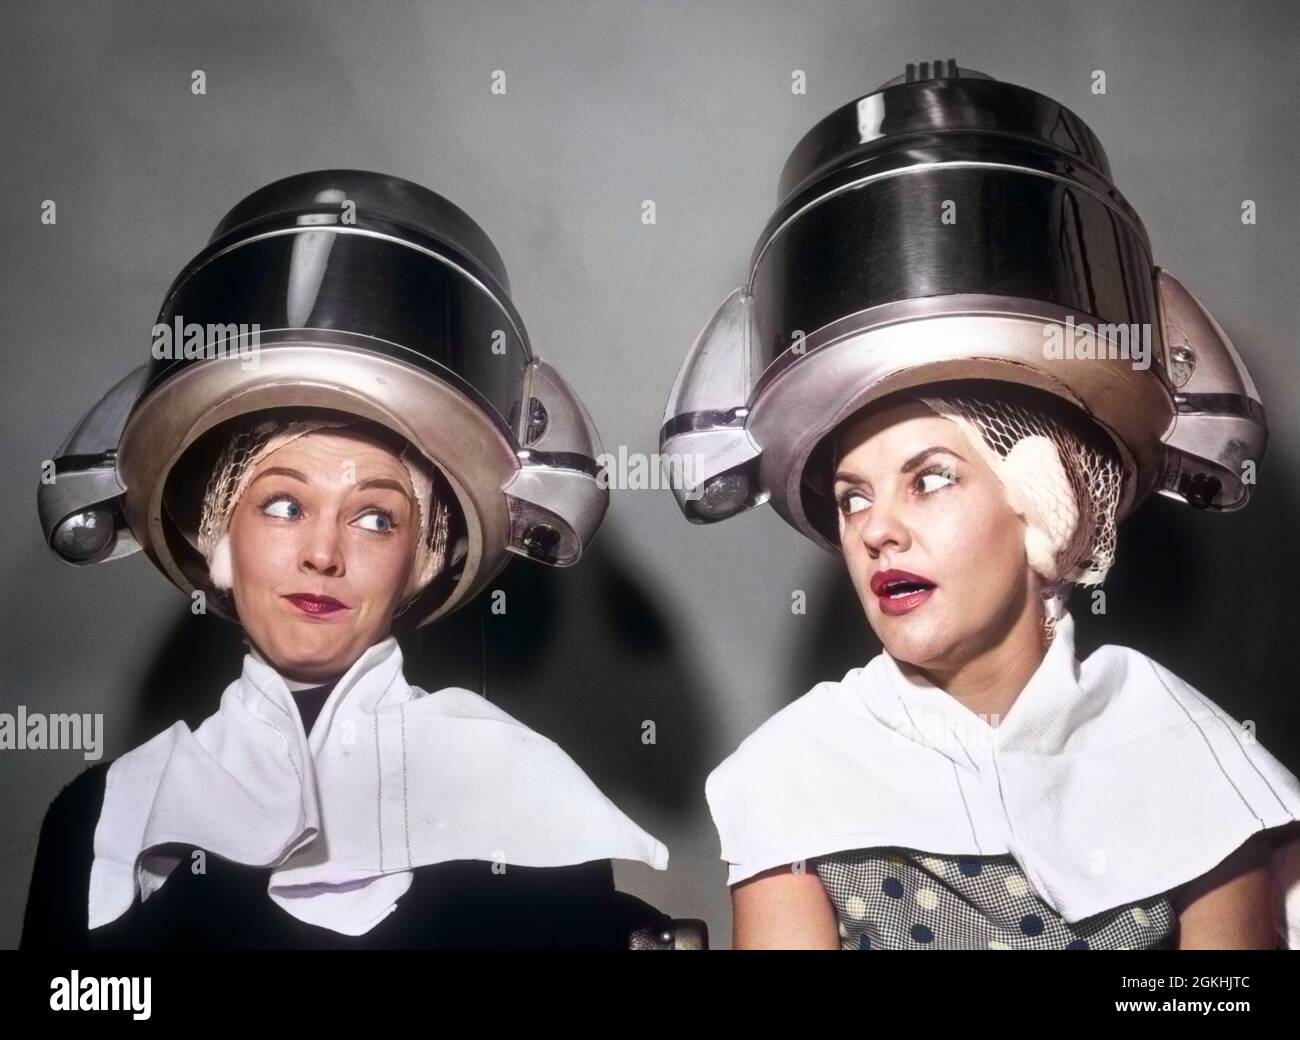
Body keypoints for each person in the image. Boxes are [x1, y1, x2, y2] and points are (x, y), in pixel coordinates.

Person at [660, 61, 1300, 948]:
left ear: (1044, 508)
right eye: (852, 498)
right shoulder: (792, 775)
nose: (877, 528)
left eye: (930, 477)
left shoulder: (1190, 757)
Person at [24, 170, 670, 949]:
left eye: (374, 518)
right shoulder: (101, 819)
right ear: (219, 537)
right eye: (283, 505)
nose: (323, 554)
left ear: (422, 562)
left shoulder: (529, 811)